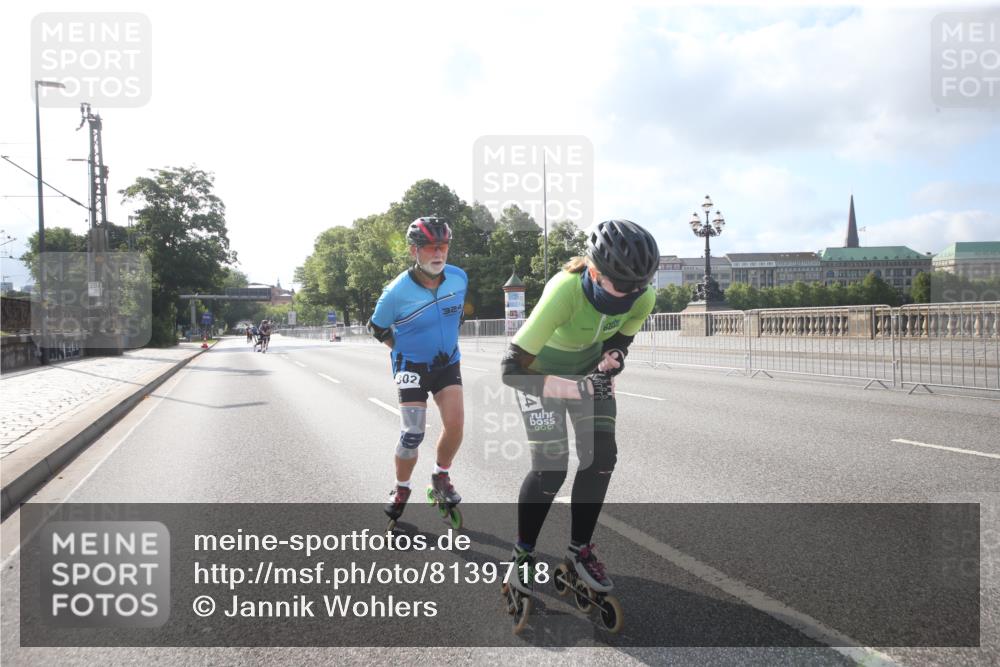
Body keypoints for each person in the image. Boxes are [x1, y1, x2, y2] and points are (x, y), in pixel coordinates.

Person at [499, 219, 659, 597]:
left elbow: (620, 341)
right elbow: (509, 369)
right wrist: (562, 388)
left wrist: (614, 358)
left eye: (638, 287)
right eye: (620, 286)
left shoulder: (643, 295)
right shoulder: (564, 291)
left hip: (588, 375)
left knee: (602, 457)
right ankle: (522, 553)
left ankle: (579, 551)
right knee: (551, 468)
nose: (629, 295)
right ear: (593, 271)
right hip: (538, 374)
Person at [368, 216, 468, 524]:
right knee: (413, 433)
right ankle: (401, 488)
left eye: (443, 246)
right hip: (410, 365)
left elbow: (456, 317)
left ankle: (440, 477)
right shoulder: (395, 292)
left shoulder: (459, 278)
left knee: (455, 425)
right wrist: (401, 351)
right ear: (415, 251)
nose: (438, 253)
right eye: (430, 248)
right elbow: (377, 327)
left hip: (446, 362)